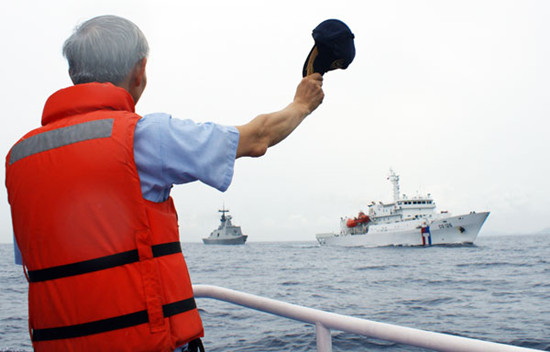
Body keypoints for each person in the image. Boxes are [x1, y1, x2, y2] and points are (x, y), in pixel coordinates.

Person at [5, 15, 323, 352]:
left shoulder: (19, 158)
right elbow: (257, 138)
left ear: (73, 74)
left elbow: (39, 257)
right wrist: (301, 104)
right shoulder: (144, 136)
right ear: (140, 71)